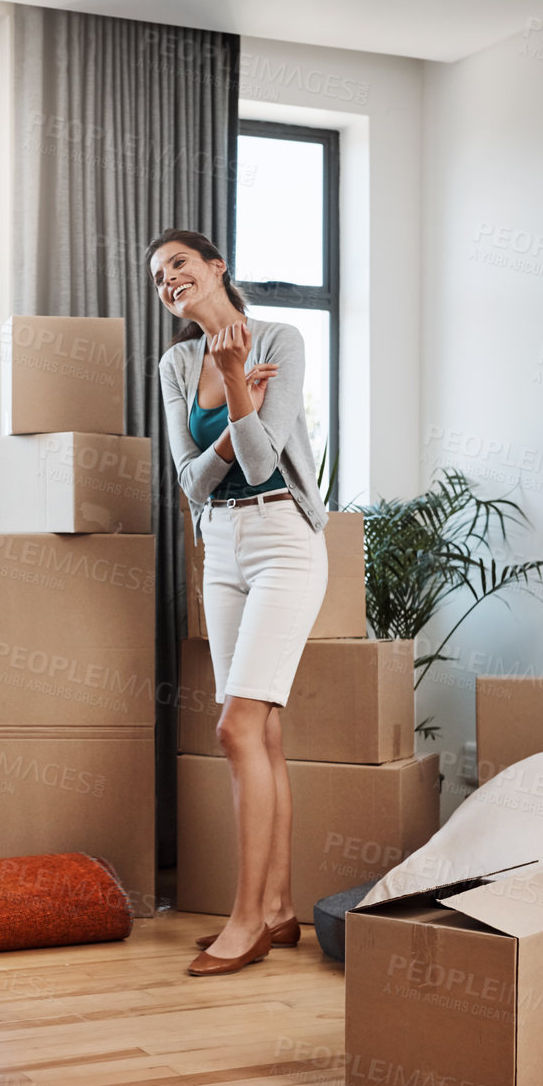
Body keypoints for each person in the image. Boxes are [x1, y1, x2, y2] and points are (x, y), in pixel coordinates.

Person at [148, 228, 330, 976]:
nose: (169, 280)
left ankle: (245, 919)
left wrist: (238, 388)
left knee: (234, 728)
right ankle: (281, 910)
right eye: (159, 276)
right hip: (217, 548)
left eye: (180, 265)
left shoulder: (280, 338)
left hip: (283, 538)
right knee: (263, 735)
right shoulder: (176, 362)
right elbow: (190, 482)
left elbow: (264, 462)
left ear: (216, 267)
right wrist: (231, 404)